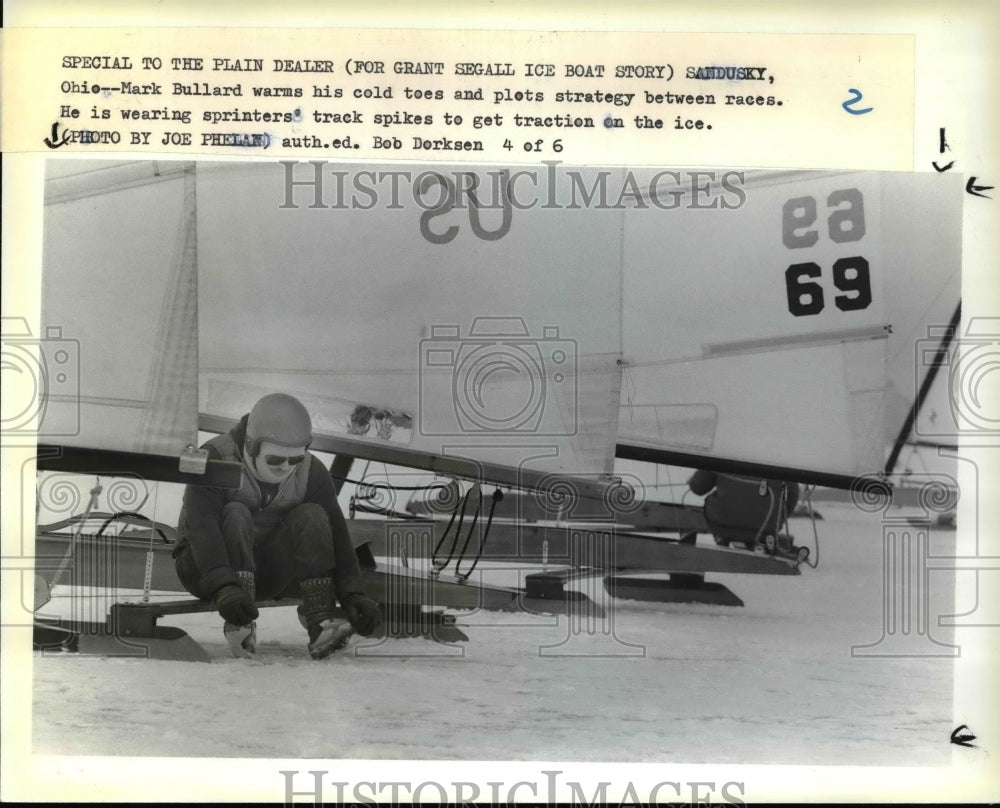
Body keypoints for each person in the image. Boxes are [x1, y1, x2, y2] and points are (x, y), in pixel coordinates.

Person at [173, 393, 384, 659]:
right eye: (275, 459)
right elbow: (201, 530)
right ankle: (240, 625)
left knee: (314, 515)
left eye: (294, 460)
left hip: (265, 571)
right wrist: (223, 585)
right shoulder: (215, 458)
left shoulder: (311, 472)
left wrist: (353, 594)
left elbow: (338, 537)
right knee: (236, 512)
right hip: (204, 569)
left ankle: (320, 624)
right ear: (251, 446)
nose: (285, 467)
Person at [687, 469, 800, 554]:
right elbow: (792, 496)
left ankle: (723, 537)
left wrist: (692, 481)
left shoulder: (725, 447)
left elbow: (699, 488)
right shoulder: (782, 453)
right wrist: (777, 519)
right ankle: (756, 543)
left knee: (711, 503)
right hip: (765, 527)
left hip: (722, 523)